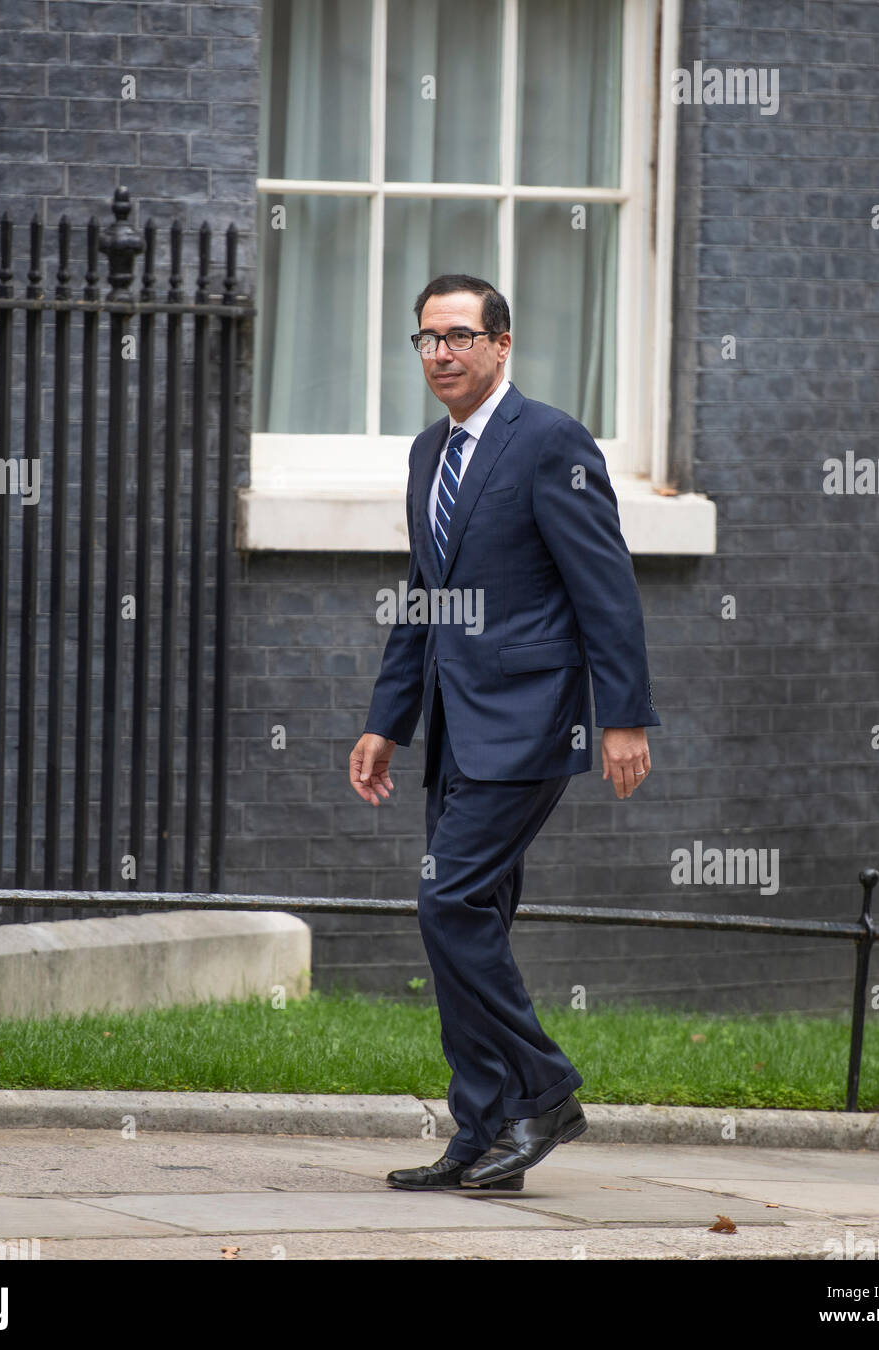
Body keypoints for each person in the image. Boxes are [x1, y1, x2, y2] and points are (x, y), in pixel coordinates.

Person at [348, 273, 660, 1190]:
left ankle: (544, 1091)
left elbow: (605, 584)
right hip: (452, 722)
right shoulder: (425, 454)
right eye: (426, 340)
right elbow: (425, 597)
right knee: (470, 916)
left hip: (529, 722)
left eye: (457, 336)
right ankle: (483, 1129)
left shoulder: (549, 440)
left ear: (500, 344)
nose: (440, 354)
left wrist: (623, 717)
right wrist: (386, 721)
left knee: (447, 904)